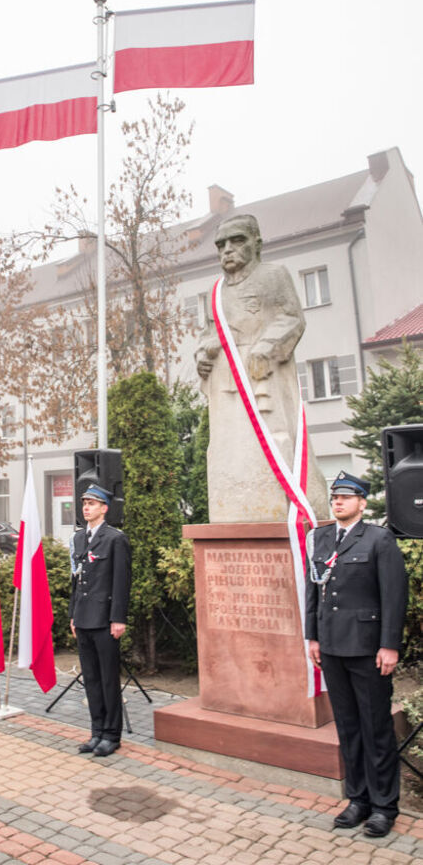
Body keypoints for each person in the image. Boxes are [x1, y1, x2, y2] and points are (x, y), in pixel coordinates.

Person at [195, 214, 329, 523]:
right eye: (221, 244)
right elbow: (207, 333)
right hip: (226, 380)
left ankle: (286, 505)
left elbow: (292, 318)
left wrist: (266, 347)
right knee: (230, 443)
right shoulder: (217, 291)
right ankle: (235, 507)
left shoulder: (273, 276)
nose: (227, 249)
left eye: (237, 240)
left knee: (273, 437)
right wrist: (202, 354)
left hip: (262, 375)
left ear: (257, 243)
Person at [305, 471, 408, 837]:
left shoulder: (379, 539)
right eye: (335, 497)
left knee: (375, 727)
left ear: (362, 503)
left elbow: (394, 597)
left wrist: (389, 645)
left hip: (368, 649)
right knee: (348, 727)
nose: (338, 503)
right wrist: (312, 638)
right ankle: (358, 798)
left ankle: (384, 806)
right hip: (331, 647)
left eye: (347, 498)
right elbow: (313, 593)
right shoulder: (319, 538)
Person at [69, 484, 132, 758]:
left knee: (108, 679)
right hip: (83, 618)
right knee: (91, 679)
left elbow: (121, 582)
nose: (86, 507)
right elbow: (76, 579)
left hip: (105, 620)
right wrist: (73, 614)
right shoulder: (79, 538)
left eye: (92, 503)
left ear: (104, 508)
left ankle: (111, 735)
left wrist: (118, 618)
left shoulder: (115, 538)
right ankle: (96, 732)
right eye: (84, 503)